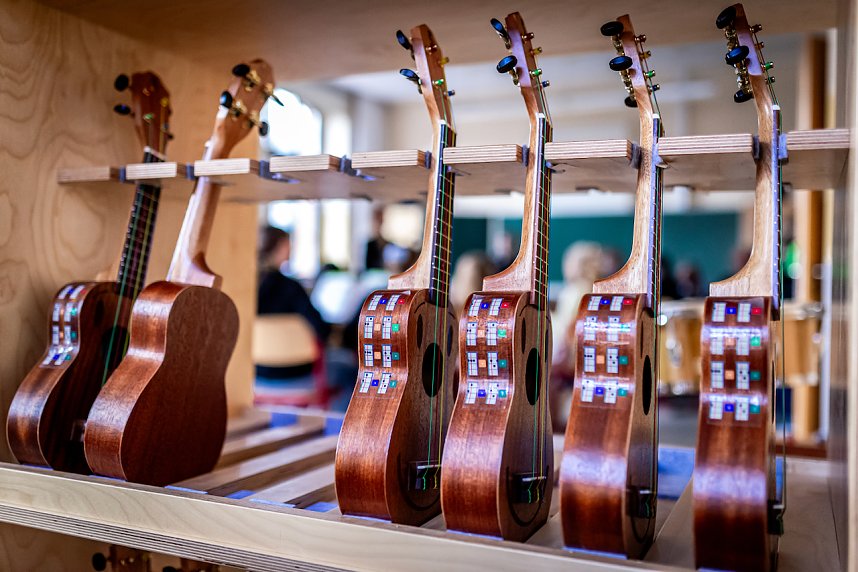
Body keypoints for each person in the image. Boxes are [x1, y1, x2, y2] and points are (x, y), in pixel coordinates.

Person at [256, 226, 330, 381]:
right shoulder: (290, 287)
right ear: (282, 246)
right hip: (297, 371)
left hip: (257, 372)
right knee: (353, 372)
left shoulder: (247, 288)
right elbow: (321, 330)